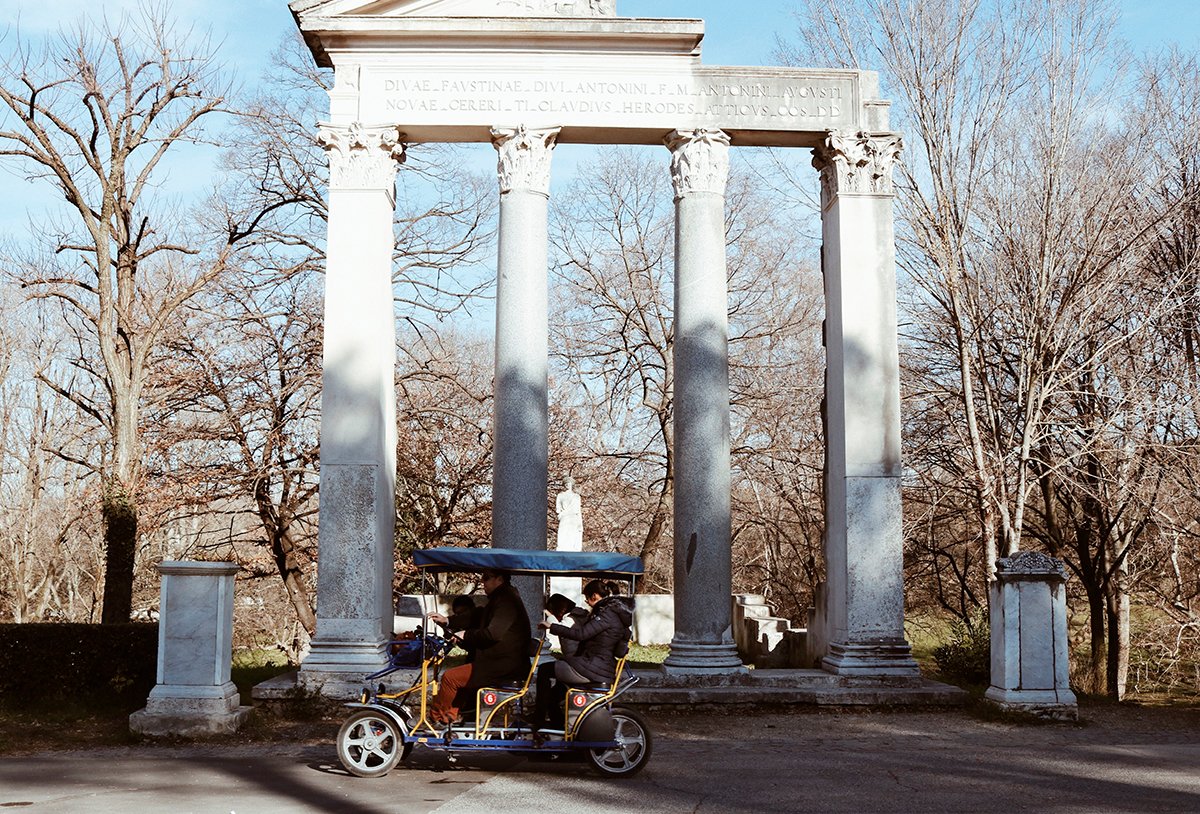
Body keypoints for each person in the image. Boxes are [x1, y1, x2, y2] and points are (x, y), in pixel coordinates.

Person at [425, 569, 531, 725]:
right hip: (500, 660)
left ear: (499, 579)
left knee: (450, 678)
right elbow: (477, 615)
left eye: (487, 578)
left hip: (504, 664)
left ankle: (436, 719)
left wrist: (466, 635)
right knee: (458, 678)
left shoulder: (506, 601)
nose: (483, 582)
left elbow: (493, 634)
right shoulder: (501, 598)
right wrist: (447, 621)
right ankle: (450, 717)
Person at [531, 580, 633, 729]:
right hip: (599, 667)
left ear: (595, 596)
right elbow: (618, 649)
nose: (587, 604)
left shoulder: (606, 614)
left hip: (592, 667)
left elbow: (581, 634)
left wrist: (552, 626)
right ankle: (557, 729)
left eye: (587, 599)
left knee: (545, 670)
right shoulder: (616, 615)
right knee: (554, 695)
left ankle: (538, 718)